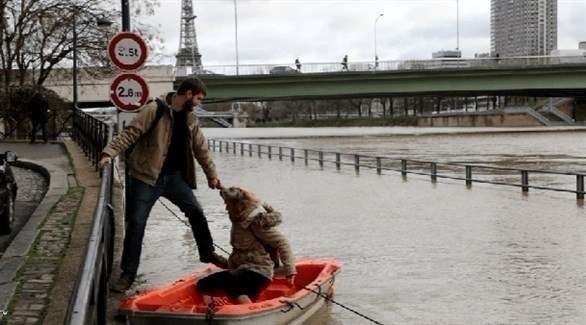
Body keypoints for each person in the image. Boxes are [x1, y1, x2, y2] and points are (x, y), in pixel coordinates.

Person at [98, 77, 226, 292]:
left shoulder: (191, 118)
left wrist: (211, 175)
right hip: (146, 177)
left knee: (196, 211)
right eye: (198, 99)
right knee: (136, 223)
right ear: (188, 94)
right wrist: (108, 153)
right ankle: (127, 275)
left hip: (175, 179)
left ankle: (207, 252)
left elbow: (201, 149)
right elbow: (131, 133)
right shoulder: (154, 109)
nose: (198, 103)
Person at [197, 186, 296, 305]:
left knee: (230, 283)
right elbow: (238, 257)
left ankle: (250, 311)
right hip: (242, 272)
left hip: (259, 273)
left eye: (228, 204)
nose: (226, 208)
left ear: (238, 205)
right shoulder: (238, 220)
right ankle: (212, 307)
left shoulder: (255, 221)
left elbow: (282, 242)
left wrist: (290, 271)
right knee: (203, 284)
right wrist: (215, 259)